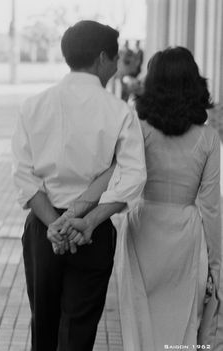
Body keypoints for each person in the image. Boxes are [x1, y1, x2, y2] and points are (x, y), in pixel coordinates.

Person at [60, 47, 223, 350]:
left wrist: (78, 210)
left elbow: (115, 176)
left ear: (153, 83)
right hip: (187, 236)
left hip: (143, 230)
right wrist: (218, 265)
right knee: (182, 324)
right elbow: (212, 208)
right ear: (194, 83)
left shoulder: (140, 128)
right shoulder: (209, 138)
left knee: (139, 322)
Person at [11, 20, 146, 351]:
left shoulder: (33, 106)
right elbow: (133, 175)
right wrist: (87, 222)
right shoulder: (119, 112)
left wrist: (55, 224)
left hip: (44, 230)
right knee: (79, 328)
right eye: (115, 59)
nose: (116, 66)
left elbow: (23, 175)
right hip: (93, 231)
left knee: (42, 321)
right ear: (102, 58)